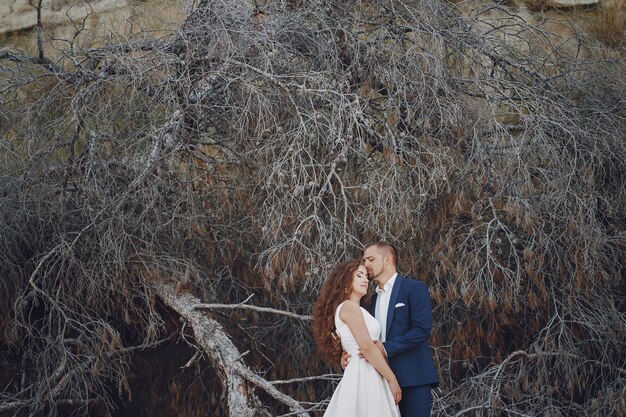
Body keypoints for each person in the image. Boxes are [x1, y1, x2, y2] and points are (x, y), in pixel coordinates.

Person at [344, 242, 439, 417]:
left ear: (387, 260)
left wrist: (385, 347)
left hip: (414, 379)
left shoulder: (414, 288)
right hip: (380, 381)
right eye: (365, 260)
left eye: (371, 259)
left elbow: (421, 330)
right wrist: (348, 354)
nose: (366, 264)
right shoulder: (371, 300)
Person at [312, 260, 401, 417]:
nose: (366, 280)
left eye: (366, 276)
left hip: (370, 369)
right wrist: (392, 379)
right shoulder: (349, 307)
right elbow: (366, 347)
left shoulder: (358, 309)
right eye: (359, 275)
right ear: (345, 280)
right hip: (364, 371)